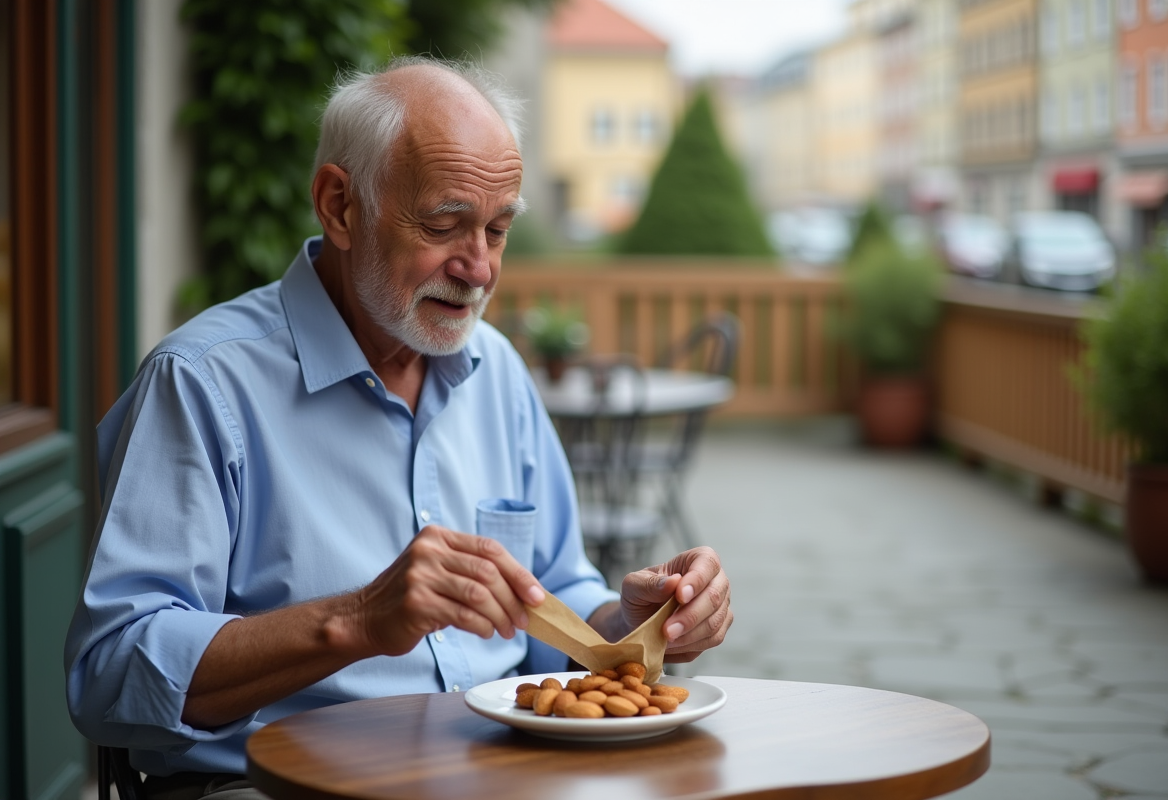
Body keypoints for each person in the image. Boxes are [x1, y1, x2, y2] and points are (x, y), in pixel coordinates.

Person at [64, 56, 732, 799]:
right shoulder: (201, 383)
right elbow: (110, 673)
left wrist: (626, 623)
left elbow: (554, 589)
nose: (480, 268)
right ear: (340, 207)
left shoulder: (498, 372)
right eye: (444, 225)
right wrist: (355, 620)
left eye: (498, 231)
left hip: (500, 775)